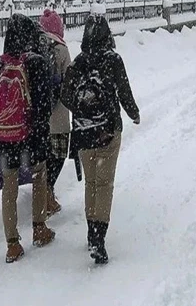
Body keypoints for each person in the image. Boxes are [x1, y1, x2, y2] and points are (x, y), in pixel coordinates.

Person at [61, 15, 140, 265]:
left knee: (91, 184)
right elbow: (124, 91)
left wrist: (81, 109)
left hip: (84, 132)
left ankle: (90, 231)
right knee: (105, 185)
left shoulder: (78, 63)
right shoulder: (113, 60)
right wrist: (133, 113)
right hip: (107, 130)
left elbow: (64, 94)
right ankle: (98, 238)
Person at [0, 13, 55, 264]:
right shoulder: (35, 61)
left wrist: (6, 117)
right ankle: (39, 228)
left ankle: (12, 244)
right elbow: (46, 102)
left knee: (9, 187)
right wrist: (33, 122)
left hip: (4, 137)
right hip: (32, 135)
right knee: (38, 177)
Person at [37, 9, 72, 217]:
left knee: (43, 157)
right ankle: (47, 193)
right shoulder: (61, 48)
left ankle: (42, 193)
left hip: (39, 116)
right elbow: (70, 78)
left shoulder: (33, 47)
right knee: (57, 156)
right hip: (58, 115)